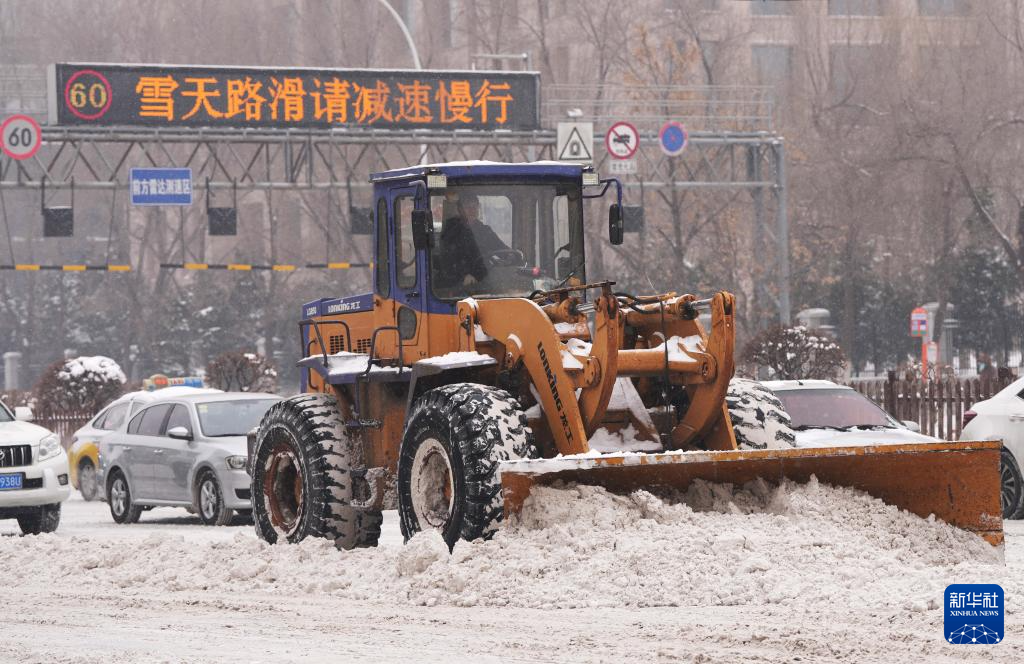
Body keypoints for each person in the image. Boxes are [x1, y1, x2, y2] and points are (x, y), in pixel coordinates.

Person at [435, 193, 510, 289]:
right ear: (460, 210)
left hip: (483, 279)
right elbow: (447, 260)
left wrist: (510, 256)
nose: (472, 210)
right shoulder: (451, 231)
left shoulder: (484, 230)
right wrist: (463, 276)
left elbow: (500, 248)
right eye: (468, 207)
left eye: (474, 206)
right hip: (455, 283)